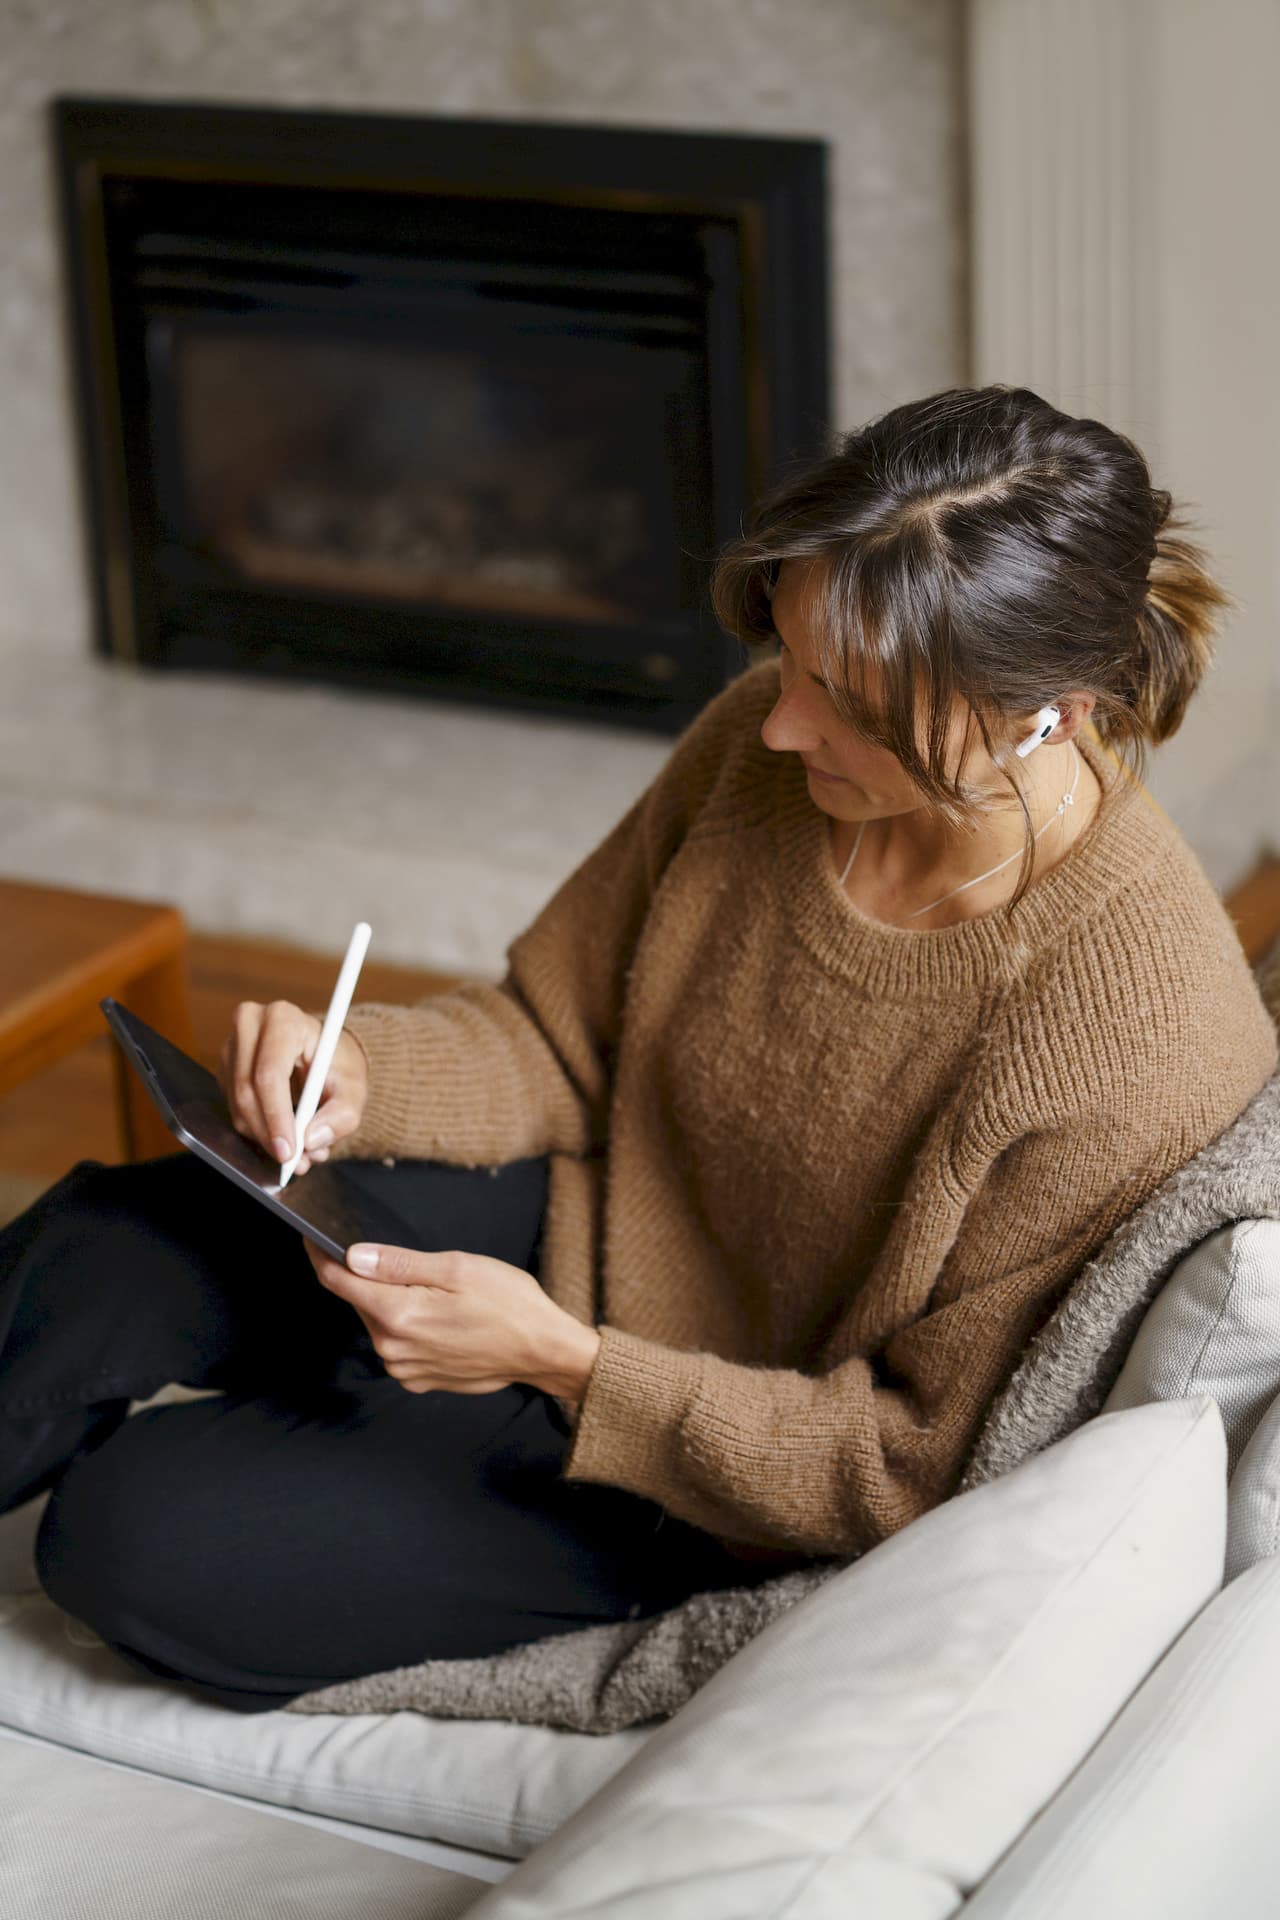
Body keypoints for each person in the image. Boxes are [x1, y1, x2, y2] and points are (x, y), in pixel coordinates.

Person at [1, 384, 1275, 1714]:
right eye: (789, 660)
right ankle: (335, 1384)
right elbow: (556, 1034)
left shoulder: (1134, 1030)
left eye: (848, 704)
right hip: (577, 1242)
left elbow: (902, 1466)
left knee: (134, 1536)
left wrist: (564, 1364)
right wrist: (362, 1073)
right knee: (111, 1246)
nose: (784, 725)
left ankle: (342, 1419)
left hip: (691, 1480)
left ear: (1045, 715)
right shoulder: (769, 752)